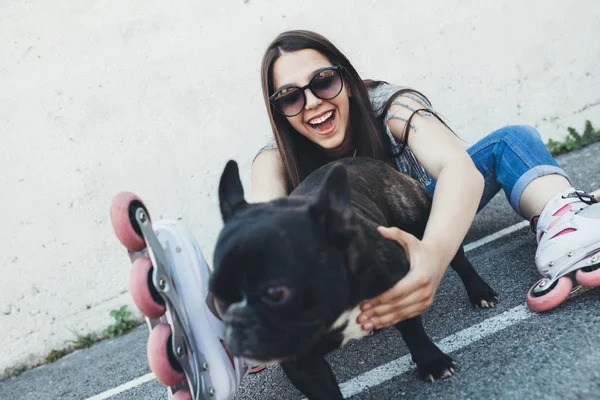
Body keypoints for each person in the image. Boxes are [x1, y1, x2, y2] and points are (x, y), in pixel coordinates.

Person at [127, 30, 600, 399]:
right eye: (291, 96)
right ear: (279, 110)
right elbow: (264, 215)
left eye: (323, 82)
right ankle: (215, 321)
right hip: (336, 233)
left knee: (509, 139)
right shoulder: (273, 156)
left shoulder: (389, 105)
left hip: (425, 203)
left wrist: (431, 258)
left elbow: (459, 170)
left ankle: (562, 220)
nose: (311, 102)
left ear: (345, 78)